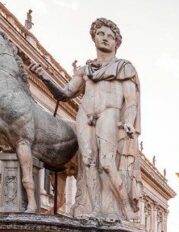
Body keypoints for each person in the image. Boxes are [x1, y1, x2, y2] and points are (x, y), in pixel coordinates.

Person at [29, 18, 142, 221]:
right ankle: (94, 209)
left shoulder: (124, 68)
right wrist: (45, 77)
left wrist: (129, 121)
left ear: (117, 42)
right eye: (101, 34)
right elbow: (65, 94)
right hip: (85, 115)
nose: (105, 38)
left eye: (110, 36)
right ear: (94, 38)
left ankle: (126, 208)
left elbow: (131, 101)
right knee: (87, 161)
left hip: (111, 113)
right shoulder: (85, 70)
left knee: (107, 162)